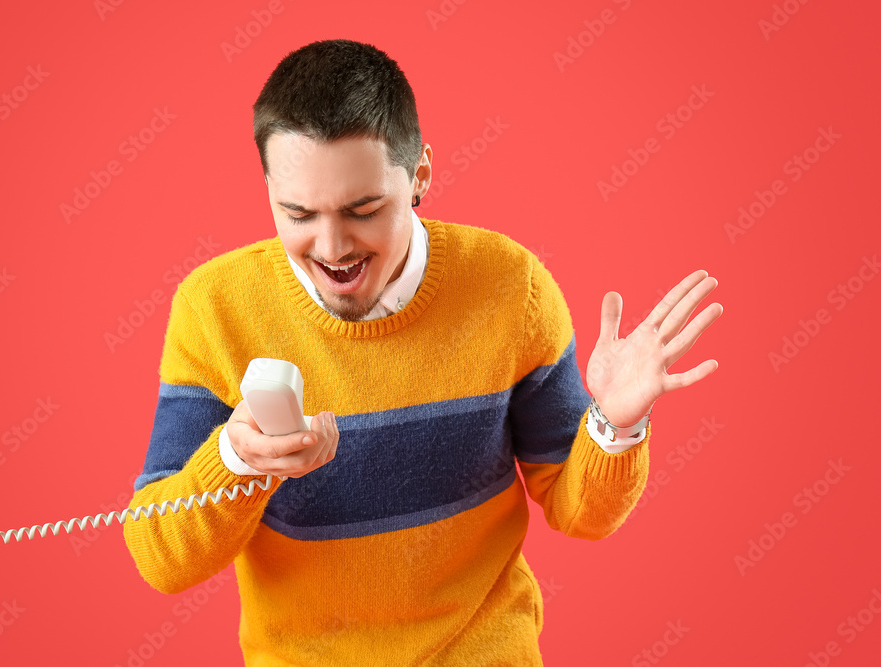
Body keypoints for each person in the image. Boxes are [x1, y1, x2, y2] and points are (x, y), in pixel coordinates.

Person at [123, 38, 722, 665]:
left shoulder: (510, 287)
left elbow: (581, 514)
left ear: (421, 176)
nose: (331, 247)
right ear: (268, 187)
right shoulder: (214, 308)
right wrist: (237, 461)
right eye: (297, 212)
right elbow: (161, 559)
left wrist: (615, 426)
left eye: (364, 209)